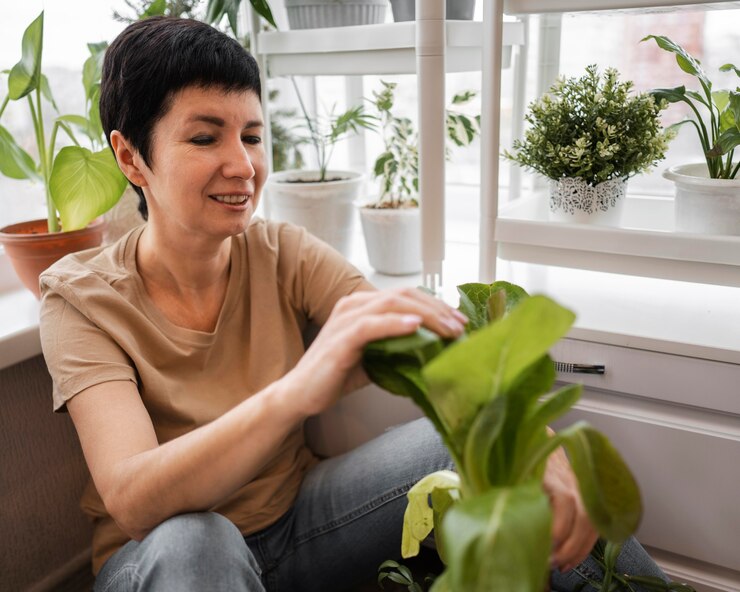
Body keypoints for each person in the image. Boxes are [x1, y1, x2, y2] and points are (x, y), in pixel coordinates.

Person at [39, 17, 667, 592]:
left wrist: (534, 441)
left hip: (298, 527)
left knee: (458, 441)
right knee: (196, 538)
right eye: (205, 138)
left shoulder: (283, 250)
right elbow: (133, 498)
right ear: (130, 157)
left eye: (253, 136)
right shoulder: (81, 298)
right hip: (162, 560)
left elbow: (421, 344)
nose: (243, 165)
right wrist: (297, 390)